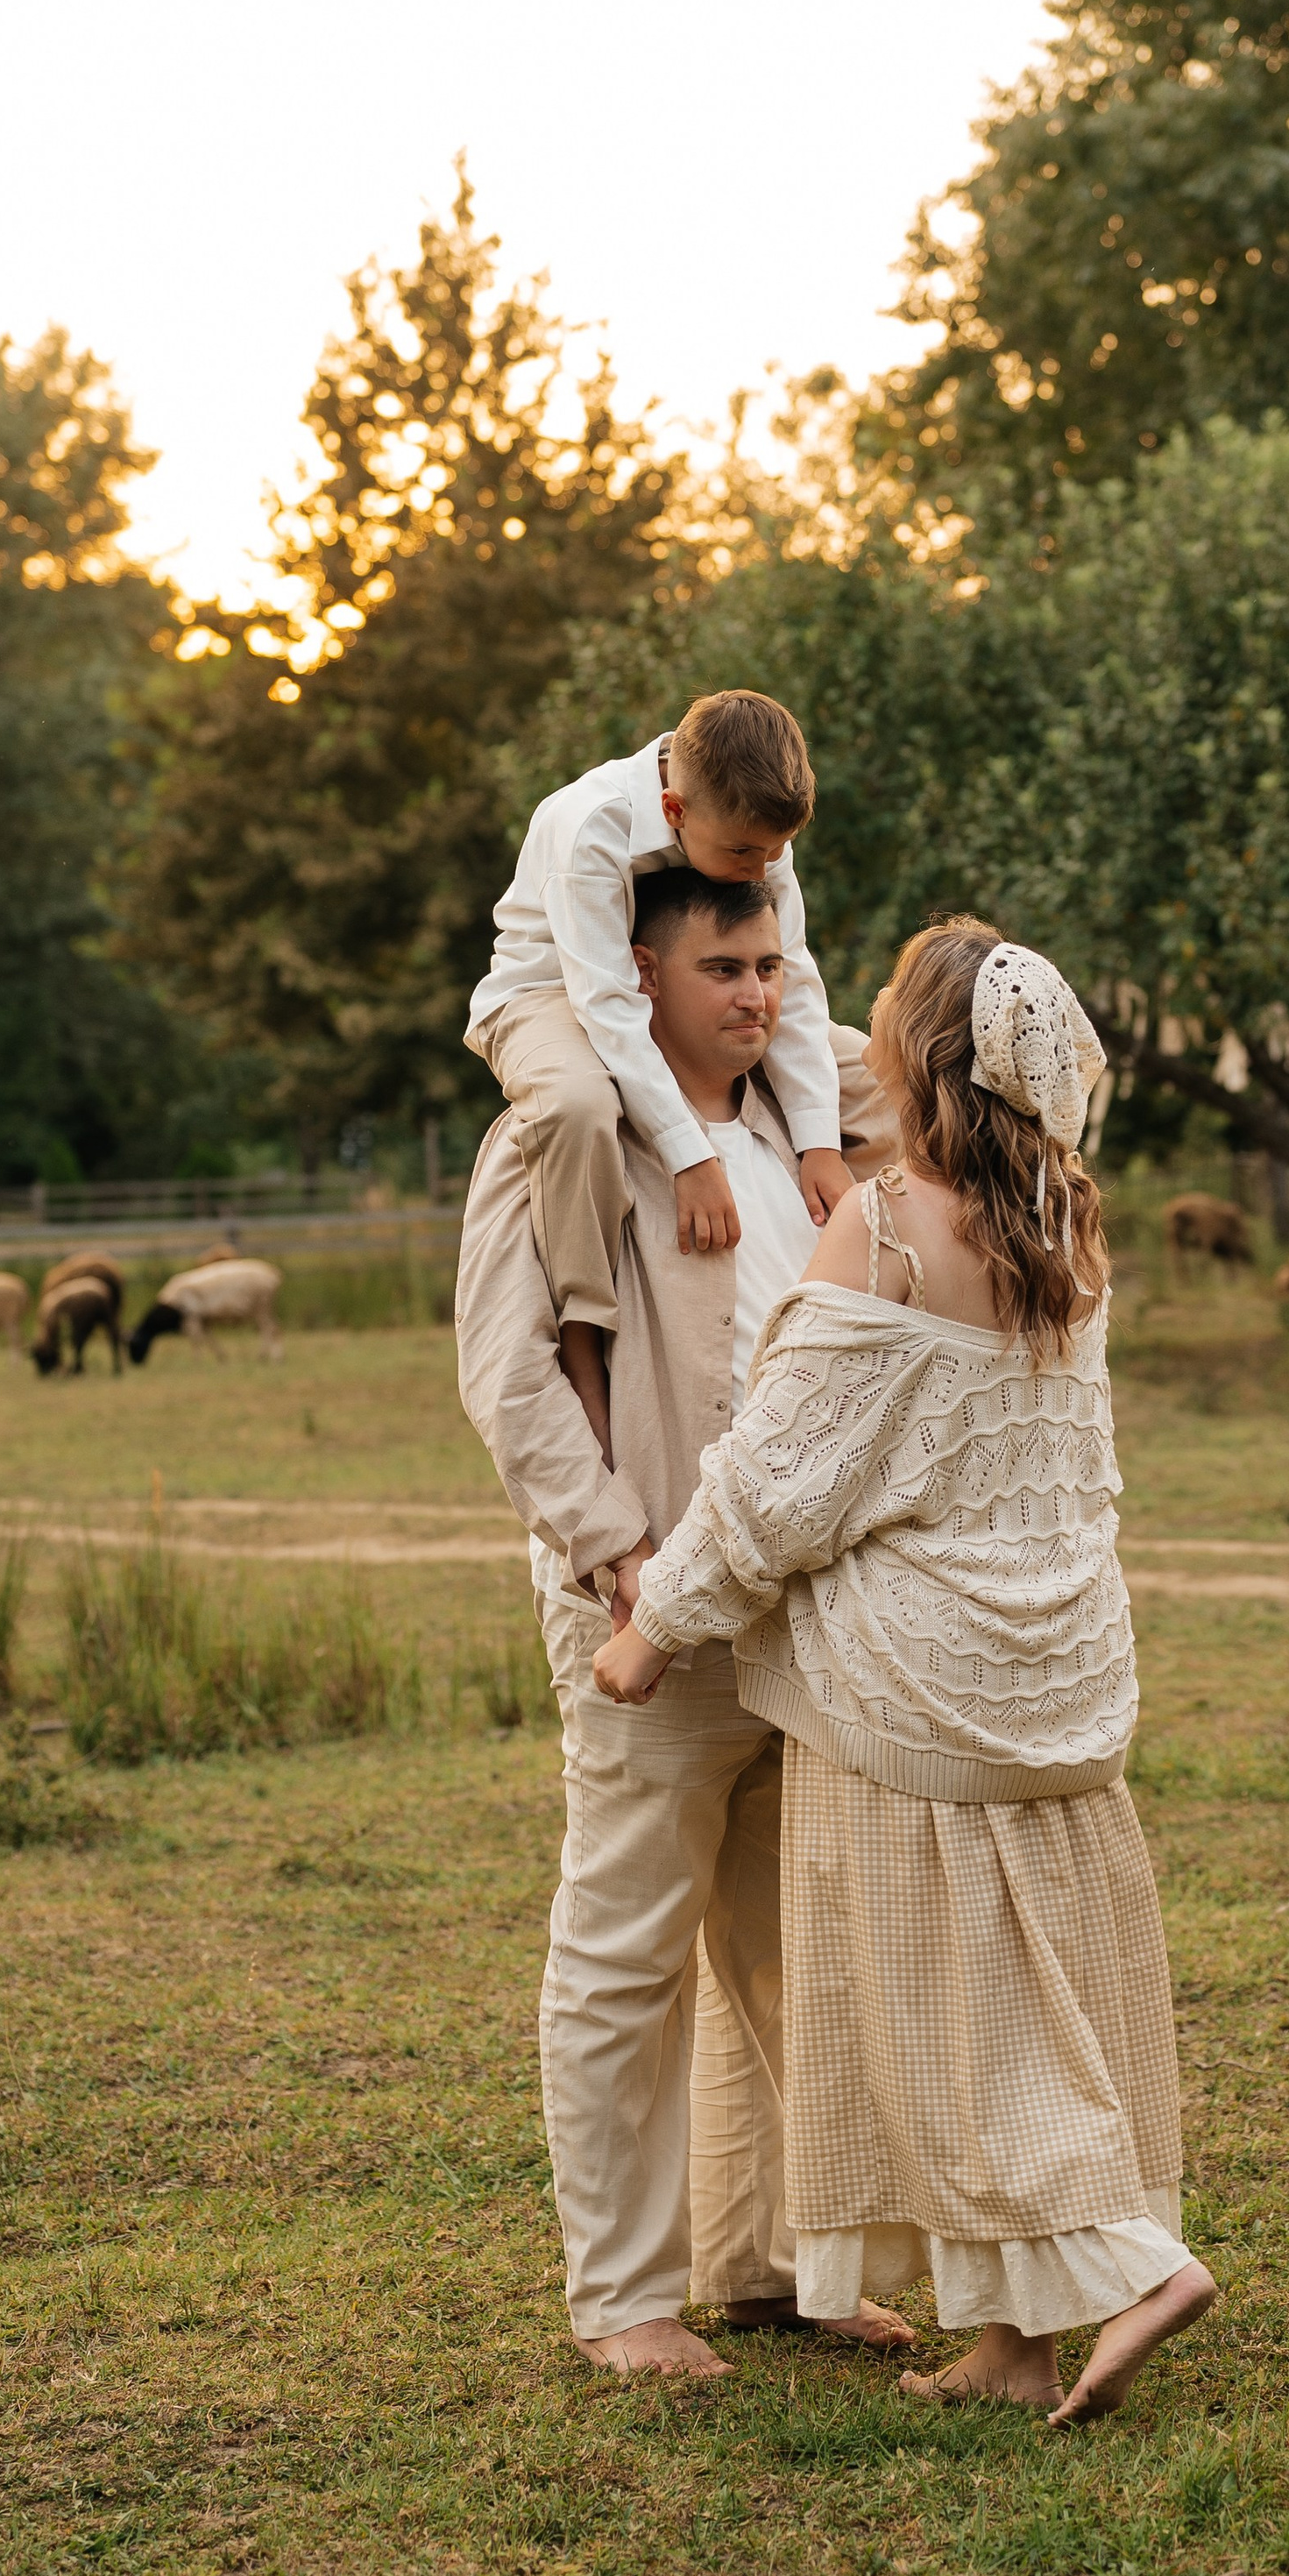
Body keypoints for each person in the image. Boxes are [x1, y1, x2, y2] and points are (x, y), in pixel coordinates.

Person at [591, 918, 1217, 2426]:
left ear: (918, 1056)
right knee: (1048, 1992)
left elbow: (780, 1483)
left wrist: (651, 1624)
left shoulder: (885, 1224)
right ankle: (1011, 2348)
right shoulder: (1064, 1229)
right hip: (1057, 1682)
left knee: (944, 2021)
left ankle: (1131, 2264)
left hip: (922, 1698)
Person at [457, 860, 910, 2378]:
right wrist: (614, 1551)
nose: (758, 991)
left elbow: (937, 1069)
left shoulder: (800, 1118)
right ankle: (623, 2295)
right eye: (724, 965)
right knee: (630, 1942)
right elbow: (508, 1375)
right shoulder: (560, 1138)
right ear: (635, 973)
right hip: (644, 1599)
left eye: (772, 961)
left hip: (801, 1615)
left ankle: (782, 2259)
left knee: (794, 1944)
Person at [465, 689, 854, 1460]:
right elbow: (605, 1007)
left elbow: (799, 982)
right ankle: (584, 1325)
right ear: (674, 811)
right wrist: (693, 1156)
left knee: (874, 1068)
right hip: (550, 990)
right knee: (577, 1104)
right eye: (747, 855)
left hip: (684, 970)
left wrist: (819, 1142)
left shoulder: (752, 821)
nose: (765, 868)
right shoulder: (591, 826)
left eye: (778, 851)